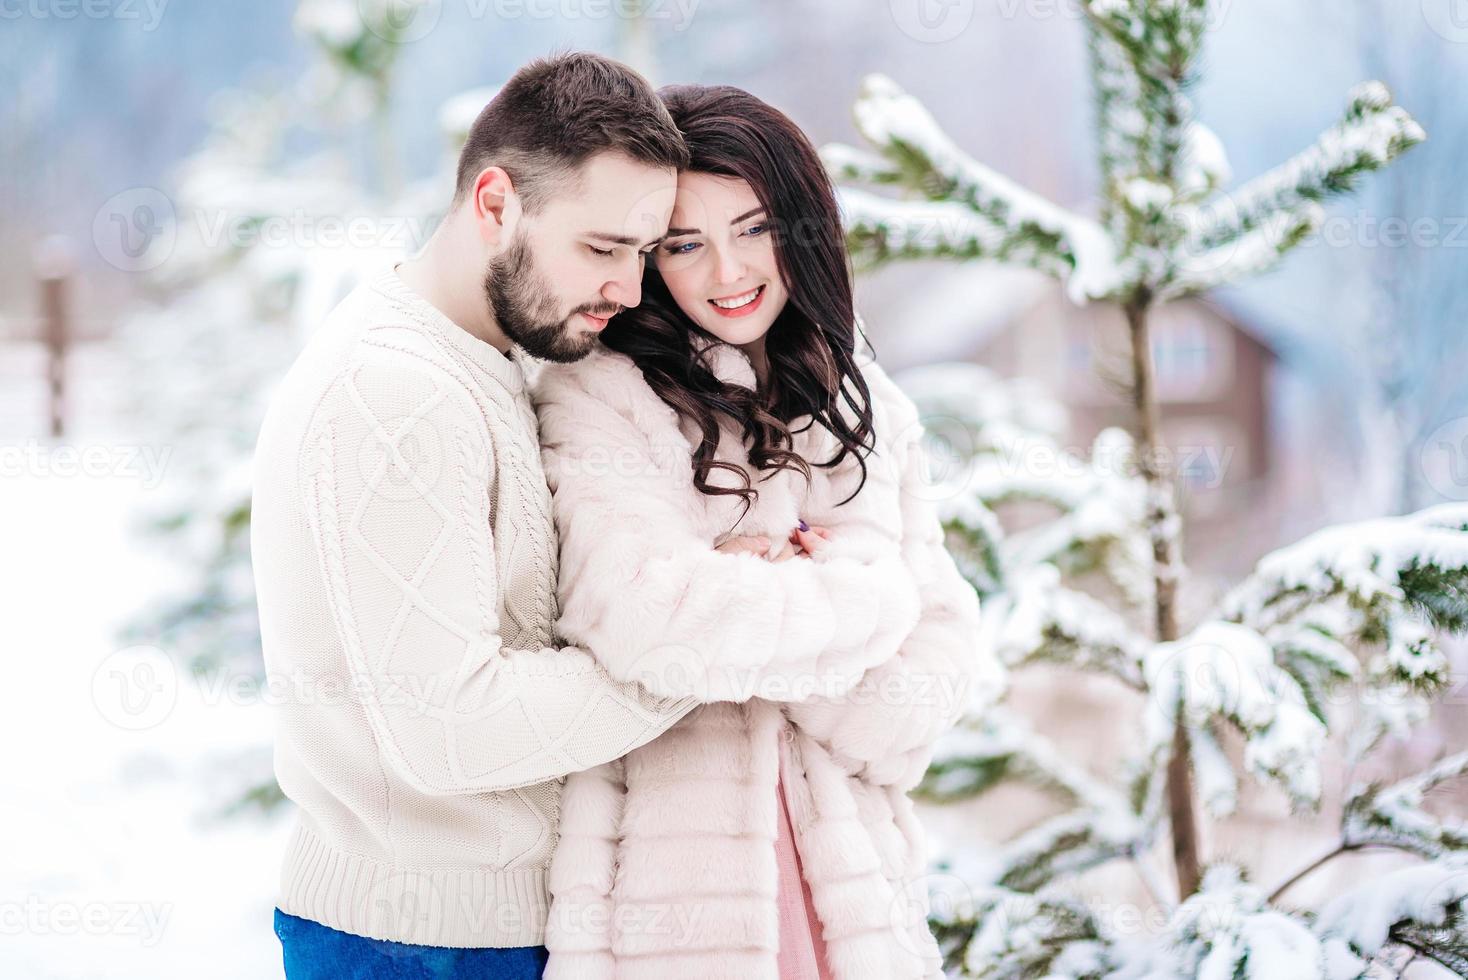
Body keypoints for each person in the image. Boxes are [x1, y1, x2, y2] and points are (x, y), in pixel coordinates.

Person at [249, 52, 703, 978]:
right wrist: (702, 647)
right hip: (417, 942)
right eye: (602, 248)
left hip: (466, 932)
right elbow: (449, 723)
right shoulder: (395, 391)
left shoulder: (481, 356)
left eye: (644, 254)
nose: (629, 288)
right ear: (495, 204)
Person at [532, 84, 984, 980]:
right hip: (665, 908)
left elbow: (923, 701)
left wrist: (758, 609)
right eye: (684, 244)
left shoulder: (862, 407)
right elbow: (649, 621)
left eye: (753, 228)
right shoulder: (600, 397)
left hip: (853, 908)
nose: (728, 273)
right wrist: (865, 602)